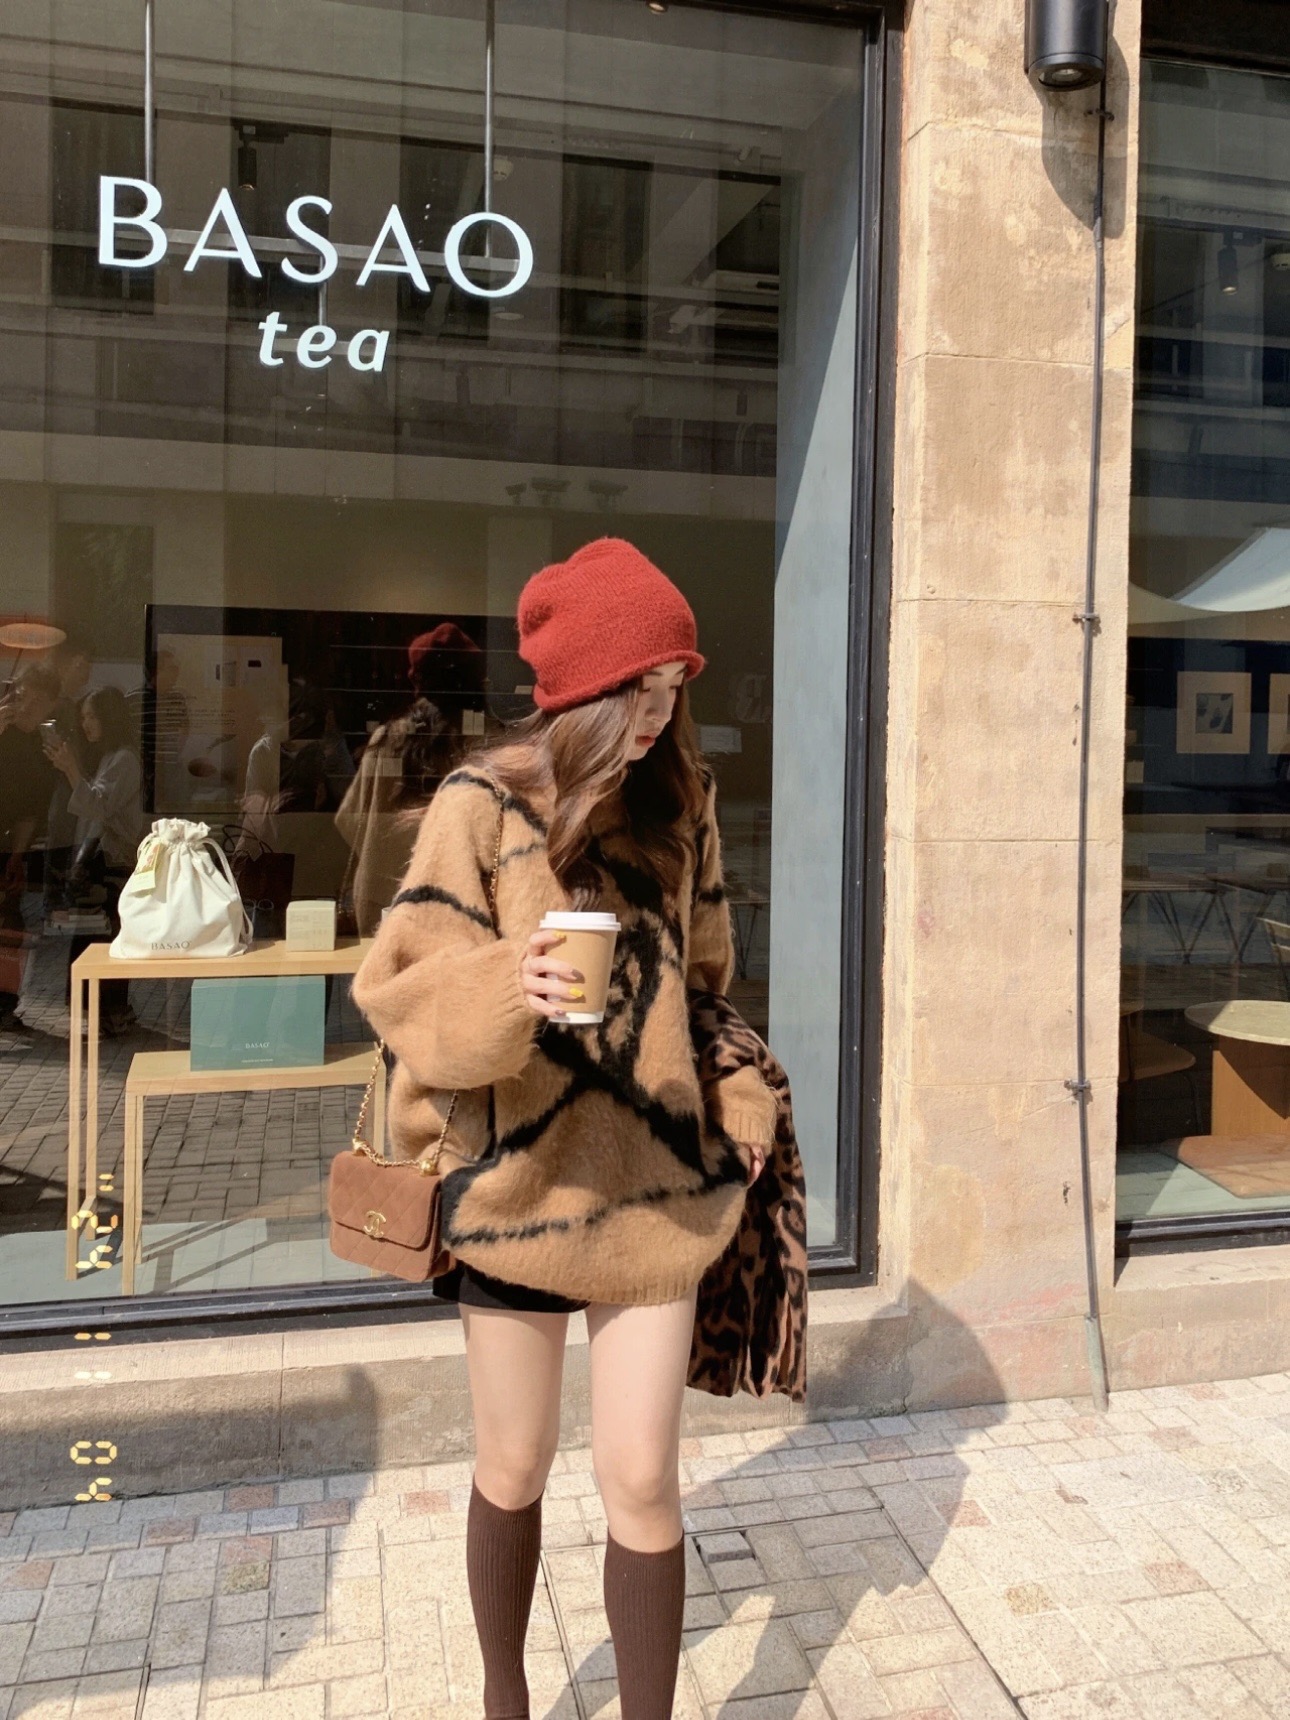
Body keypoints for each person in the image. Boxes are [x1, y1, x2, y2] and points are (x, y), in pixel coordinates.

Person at [353, 539, 780, 1720]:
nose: (658, 714)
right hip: (518, 1186)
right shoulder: (480, 805)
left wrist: (742, 1096)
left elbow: (706, 988)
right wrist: (514, 986)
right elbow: (400, 992)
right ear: (583, 687)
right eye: (640, 688)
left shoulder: (681, 805)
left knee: (643, 1475)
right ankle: (507, 1700)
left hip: (654, 1187)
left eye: (674, 687)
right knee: (514, 1462)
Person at [336, 622, 485, 935]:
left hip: (383, 894)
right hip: (464, 899)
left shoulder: (386, 740)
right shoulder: (487, 742)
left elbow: (349, 819)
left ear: (417, 679)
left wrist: (390, 854)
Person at [45, 686, 144, 1034]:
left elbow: (99, 806)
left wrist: (72, 769)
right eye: (83, 716)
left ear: (108, 717)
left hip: (115, 863)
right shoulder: (110, 757)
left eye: (92, 716)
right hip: (101, 861)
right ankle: (103, 1012)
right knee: (95, 936)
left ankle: (109, 1012)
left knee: (104, 937)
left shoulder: (125, 759)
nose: (86, 723)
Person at [0, 665, 60, 1032]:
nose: (27, 706)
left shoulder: (41, 748)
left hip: (11, 841)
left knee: (11, 925)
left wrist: (17, 856)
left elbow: (31, 811)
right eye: (23, 696)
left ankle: (5, 1006)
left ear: (51, 706)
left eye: (38, 702)